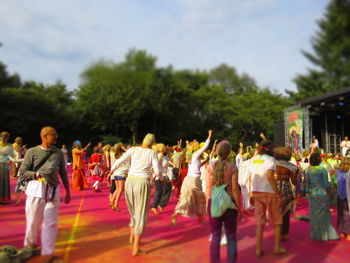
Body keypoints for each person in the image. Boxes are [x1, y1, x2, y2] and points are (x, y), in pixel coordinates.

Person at [19, 126, 71, 255]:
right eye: (53, 134)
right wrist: (36, 175)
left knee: (51, 223)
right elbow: (23, 172)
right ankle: (29, 245)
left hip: (54, 189)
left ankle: (48, 253)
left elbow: (63, 173)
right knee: (33, 222)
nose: (56, 136)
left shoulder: (58, 152)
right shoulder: (32, 151)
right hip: (36, 189)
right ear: (45, 136)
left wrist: (68, 191)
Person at [108, 133, 161, 256]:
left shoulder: (133, 149)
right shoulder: (152, 153)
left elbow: (119, 161)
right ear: (152, 143)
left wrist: (111, 171)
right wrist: (154, 178)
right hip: (142, 183)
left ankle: (132, 238)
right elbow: (157, 171)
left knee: (133, 212)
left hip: (130, 181)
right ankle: (136, 247)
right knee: (141, 214)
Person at [206, 140, 241, 263]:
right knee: (231, 236)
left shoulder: (211, 167)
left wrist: (207, 203)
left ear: (217, 152)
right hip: (229, 203)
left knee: (215, 236)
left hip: (214, 202)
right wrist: (239, 208)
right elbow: (235, 189)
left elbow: (209, 187)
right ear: (229, 152)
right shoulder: (233, 167)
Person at [249, 140, 286, 256]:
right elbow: (270, 177)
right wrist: (278, 192)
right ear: (270, 149)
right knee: (276, 221)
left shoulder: (253, 160)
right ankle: (276, 247)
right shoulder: (270, 160)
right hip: (269, 193)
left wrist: (251, 193)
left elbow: (251, 177)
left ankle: (258, 249)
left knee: (260, 222)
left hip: (256, 192)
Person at [171, 130, 212, 225]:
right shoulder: (195, 154)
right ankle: (201, 218)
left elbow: (197, 166)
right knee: (200, 198)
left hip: (188, 179)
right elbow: (205, 146)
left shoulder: (191, 157)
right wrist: (209, 136)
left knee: (186, 199)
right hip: (194, 180)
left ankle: (176, 213)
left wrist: (205, 162)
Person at [303, 152, 339, 241]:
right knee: (325, 215)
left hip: (312, 194)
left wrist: (307, 193)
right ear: (319, 160)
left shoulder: (308, 170)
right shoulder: (323, 170)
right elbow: (327, 185)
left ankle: (317, 236)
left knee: (314, 216)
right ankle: (327, 235)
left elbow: (305, 185)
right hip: (322, 194)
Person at [273, 147, 298, 241]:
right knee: (285, 213)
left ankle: (276, 231)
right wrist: (296, 175)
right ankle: (282, 234)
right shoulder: (292, 167)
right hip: (286, 191)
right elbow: (294, 182)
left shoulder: (272, 165)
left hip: (274, 190)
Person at [336, 157, 350, 240]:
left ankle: (344, 232)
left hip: (340, 195)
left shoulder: (338, 172)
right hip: (347, 196)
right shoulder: (348, 173)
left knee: (341, 213)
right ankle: (347, 232)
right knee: (347, 214)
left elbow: (335, 183)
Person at [0, 131, 15, 202]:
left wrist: (10, 160)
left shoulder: (10, 145)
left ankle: (4, 199)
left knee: (4, 181)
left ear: (8, 138)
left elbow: (11, 155)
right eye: (2, 138)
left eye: (5, 138)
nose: (3, 139)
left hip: (5, 165)